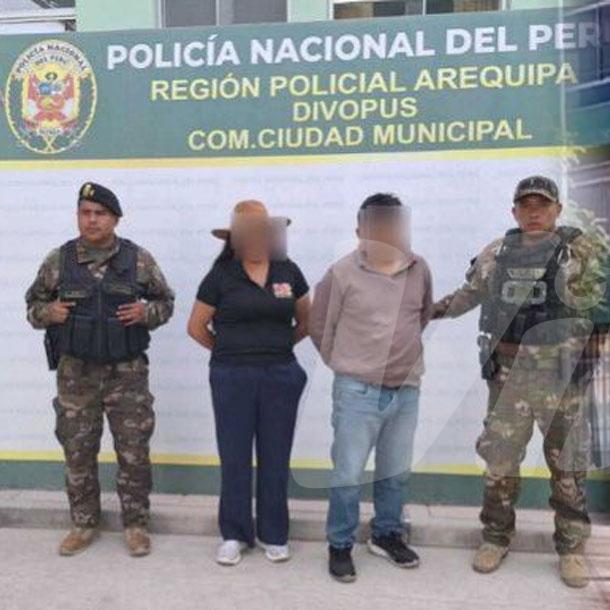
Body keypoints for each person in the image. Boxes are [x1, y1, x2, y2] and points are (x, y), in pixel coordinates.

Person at [431, 175, 610, 589]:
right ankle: (495, 537)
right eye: (526, 205)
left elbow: (601, 313)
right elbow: (466, 296)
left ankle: (571, 548)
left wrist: (588, 369)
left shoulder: (577, 252)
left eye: (542, 205)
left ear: (557, 210)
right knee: (500, 464)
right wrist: (425, 312)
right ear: (514, 211)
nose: (534, 212)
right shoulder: (497, 253)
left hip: (561, 379)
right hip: (509, 378)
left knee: (567, 466)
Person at [24, 182, 175, 557]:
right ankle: (83, 523)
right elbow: (32, 305)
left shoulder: (138, 260)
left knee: (133, 452)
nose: (91, 220)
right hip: (77, 375)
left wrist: (147, 312)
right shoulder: (58, 261)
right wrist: (49, 313)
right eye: (85, 213)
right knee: (77, 450)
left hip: (127, 374)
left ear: (115, 219)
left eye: (100, 214)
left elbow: (166, 302)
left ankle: (137, 524)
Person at [309, 193, 432, 583]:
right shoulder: (341, 273)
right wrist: (348, 365)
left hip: (406, 389)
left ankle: (387, 534)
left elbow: (422, 316)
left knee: (395, 472)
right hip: (356, 390)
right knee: (348, 473)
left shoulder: (419, 269)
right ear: (360, 229)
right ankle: (340, 544)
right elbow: (319, 327)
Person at [188, 200, 310, 567]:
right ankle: (234, 534)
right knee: (235, 456)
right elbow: (196, 328)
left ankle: (274, 534)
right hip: (231, 379)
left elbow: (306, 322)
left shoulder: (289, 271)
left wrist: (273, 349)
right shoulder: (221, 276)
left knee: (276, 455)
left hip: (280, 376)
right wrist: (230, 352)